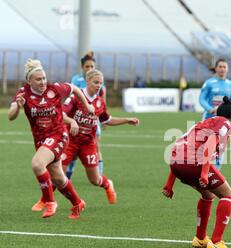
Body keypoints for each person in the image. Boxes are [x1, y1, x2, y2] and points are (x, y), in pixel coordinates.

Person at [8, 59, 93, 219]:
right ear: (29, 81)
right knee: (58, 178)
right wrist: (18, 107)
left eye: (44, 78)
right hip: (41, 140)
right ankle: (77, 203)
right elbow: (11, 115)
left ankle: (49, 202)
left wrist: (87, 105)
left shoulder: (55, 89)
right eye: (38, 79)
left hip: (59, 135)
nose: (43, 82)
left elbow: (74, 88)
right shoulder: (23, 93)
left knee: (37, 164)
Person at [162, 97, 231, 248]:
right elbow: (210, 144)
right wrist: (204, 173)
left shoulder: (204, 123)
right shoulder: (225, 123)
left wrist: (169, 184)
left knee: (208, 194)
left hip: (176, 163)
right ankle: (217, 242)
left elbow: (181, 148)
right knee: (228, 195)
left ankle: (200, 238)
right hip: (194, 164)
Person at [61, 69, 140, 204]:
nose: (98, 85)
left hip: (88, 144)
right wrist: (72, 121)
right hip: (71, 141)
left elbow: (107, 120)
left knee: (94, 180)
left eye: (100, 83)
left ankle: (108, 184)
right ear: (87, 81)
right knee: (58, 175)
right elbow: (61, 114)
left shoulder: (99, 102)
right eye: (95, 82)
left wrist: (127, 120)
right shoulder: (75, 97)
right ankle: (46, 201)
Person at [67, 51, 105, 179]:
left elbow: (102, 98)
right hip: (77, 119)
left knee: (96, 145)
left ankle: (99, 175)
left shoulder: (98, 79)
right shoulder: (76, 79)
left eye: (92, 66)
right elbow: (71, 96)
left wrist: (103, 119)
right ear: (82, 68)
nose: (89, 68)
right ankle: (68, 173)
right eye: (87, 66)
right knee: (73, 150)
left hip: (92, 119)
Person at [199, 58, 231, 169]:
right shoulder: (209, 83)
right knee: (206, 145)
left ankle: (215, 172)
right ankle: (203, 170)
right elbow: (202, 99)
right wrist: (210, 109)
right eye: (220, 67)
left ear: (227, 69)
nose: (222, 69)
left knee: (221, 147)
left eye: (224, 67)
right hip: (209, 119)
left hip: (225, 121)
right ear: (216, 68)